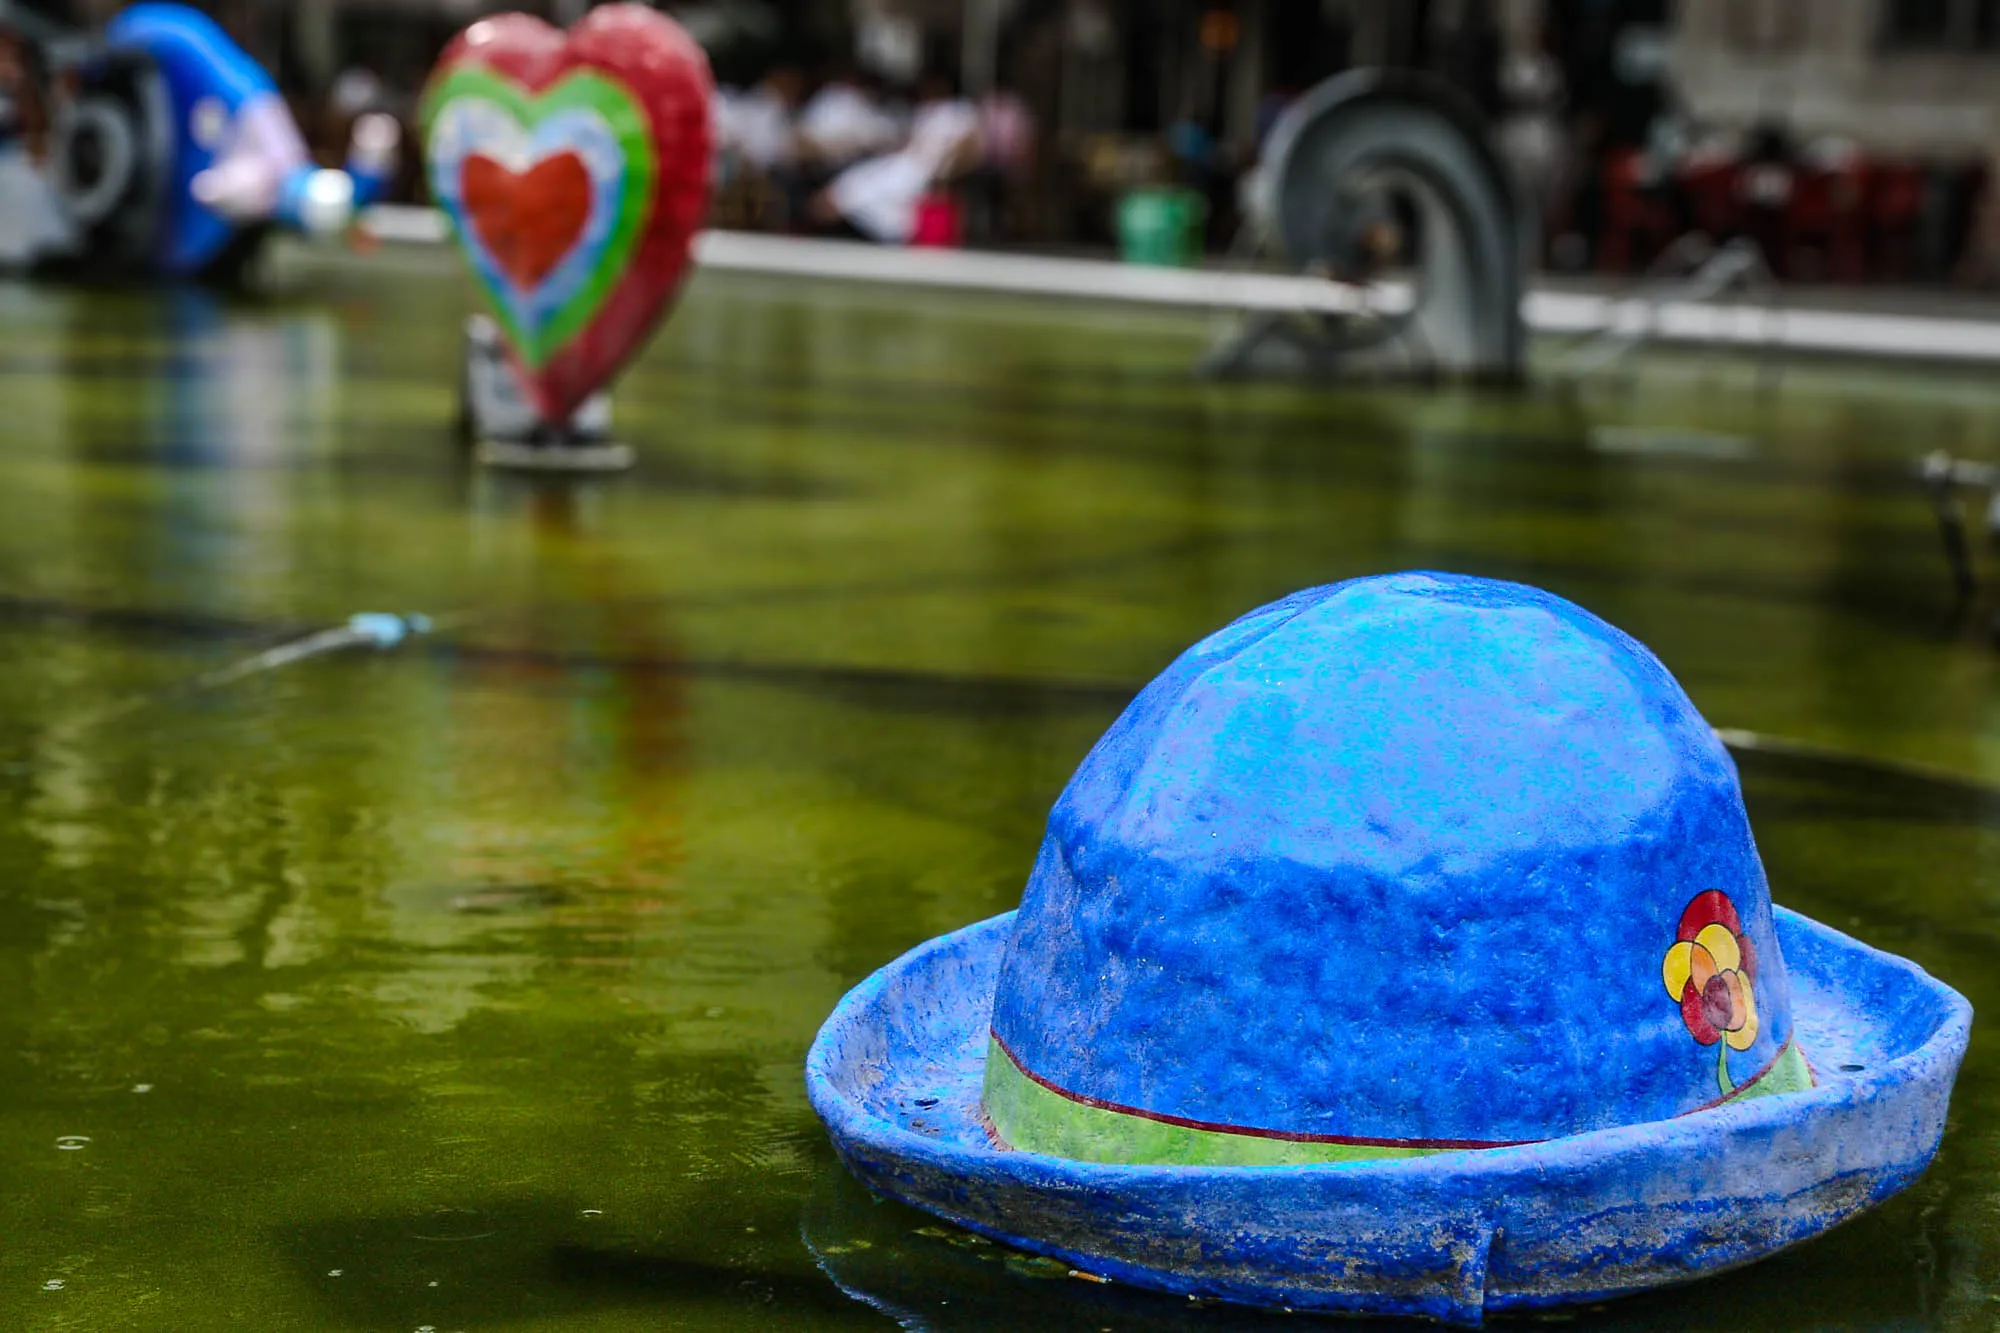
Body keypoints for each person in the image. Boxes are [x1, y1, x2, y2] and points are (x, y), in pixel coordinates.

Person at [814, 70, 979, 244]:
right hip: (906, 162)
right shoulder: (927, 110)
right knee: (861, 185)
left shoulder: (961, 110)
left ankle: (832, 206)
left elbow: (969, 149)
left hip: (924, 170)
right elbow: (913, 142)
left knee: (861, 192)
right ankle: (833, 203)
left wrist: (946, 173)